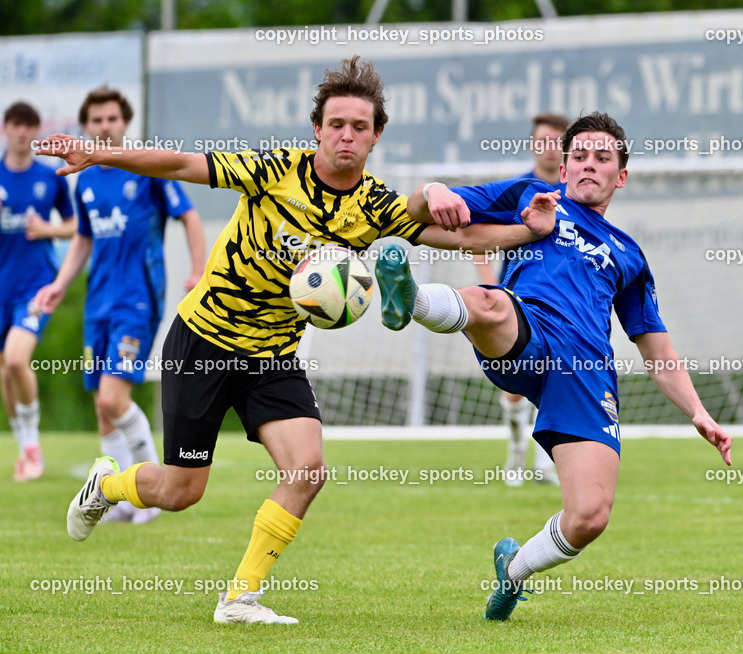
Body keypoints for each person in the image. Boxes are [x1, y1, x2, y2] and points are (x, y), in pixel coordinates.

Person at [37, 57, 556, 624]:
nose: (346, 136)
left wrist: (530, 229)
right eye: (336, 124)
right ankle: (108, 482)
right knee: (182, 491)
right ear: (317, 128)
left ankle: (239, 598)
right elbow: (182, 162)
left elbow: (459, 236)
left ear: (376, 135)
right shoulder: (274, 169)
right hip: (203, 343)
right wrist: (99, 154)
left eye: (360, 127)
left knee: (307, 470)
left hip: (273, 357)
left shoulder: (374, 206)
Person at [374, 111, 733, 621]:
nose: (589, 165)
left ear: (620, 176)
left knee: (589, 516)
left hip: (584, 374)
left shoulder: (629, 255)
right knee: (491, 303)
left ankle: (514, 572)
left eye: (602, 158)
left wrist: (698, 411)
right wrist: (431, 188)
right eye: (579, 156)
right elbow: (423, 216)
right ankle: (409, 298)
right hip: (528, 336)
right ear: (563, 168)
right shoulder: (531, 196)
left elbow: (656, 349)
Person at [34, 87, 206, 525]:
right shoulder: (86, 177)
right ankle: (116, 499)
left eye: (112, 118)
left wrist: (198, 268)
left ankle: (151, 493)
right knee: (101, 405)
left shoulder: (148, 170)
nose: (105, 126)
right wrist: (58, 284)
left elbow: (188, 215)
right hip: (99, 305)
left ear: (124, 123)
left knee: (114, 397)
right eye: (96, 121)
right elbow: (85, 238)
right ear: (86, 128)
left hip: (136, 302)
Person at [474, 112, 569, 487]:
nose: (551, 148)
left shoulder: (577, 194)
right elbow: (475, 239)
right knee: (515, 384)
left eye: (558, 141)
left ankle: (546, 462)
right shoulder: (517, 190)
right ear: (533, 144)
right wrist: (490, 288)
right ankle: (516, 447)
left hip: (563, 306)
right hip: (516, 301)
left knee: (560, 379)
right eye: (544, 140)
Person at [0, 101, 77, 481]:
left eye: (29, 126)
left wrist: (49, 230)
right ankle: (25, 447)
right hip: (2, 286)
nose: (22, 132)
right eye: (16, 125)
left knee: (17, 359)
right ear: (6, 129)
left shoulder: (51, 177)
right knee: (5, 372)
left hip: (35, 285)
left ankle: (32, 450)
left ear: (35, 132)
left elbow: (77, 226)